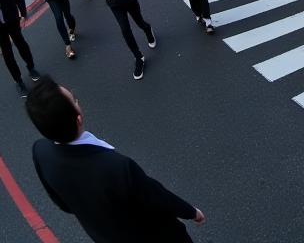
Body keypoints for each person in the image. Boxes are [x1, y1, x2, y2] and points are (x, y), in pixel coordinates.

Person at [27, 76, 205, 242]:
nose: (77, 101)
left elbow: (63, 203)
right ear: (78, 119)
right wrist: (190, 212)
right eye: (74, 100)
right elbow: (156, 196)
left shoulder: (41, 152)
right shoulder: (117, 167)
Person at [0, 0, 40, 96]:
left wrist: (22, 10)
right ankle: (18, 81)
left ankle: (31, 67)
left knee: (20, 42)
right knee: (7, 52)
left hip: (10, 15)